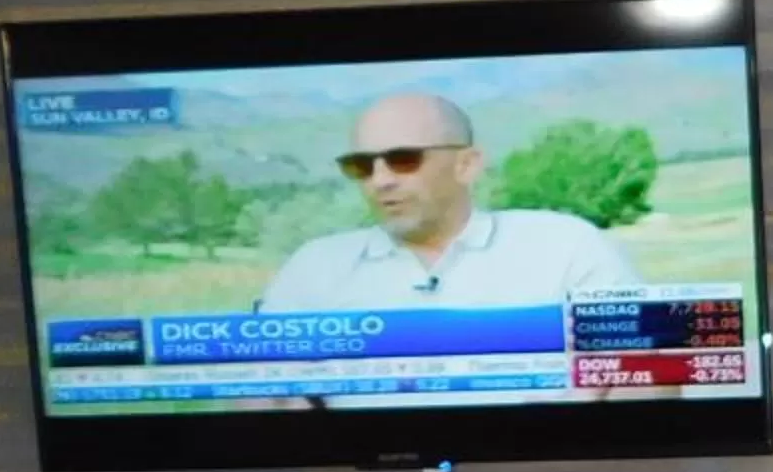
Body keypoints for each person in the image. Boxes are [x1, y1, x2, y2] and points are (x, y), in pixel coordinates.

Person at [255, 91, 640, 311]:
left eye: (403, 159)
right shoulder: (314, 267)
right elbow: (262, 390)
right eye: (362, 166)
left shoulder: (565, 247)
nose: (381, 180)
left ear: (466, 165)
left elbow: (643, 368)